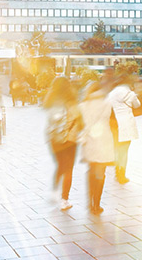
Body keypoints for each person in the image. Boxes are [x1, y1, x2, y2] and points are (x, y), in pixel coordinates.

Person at [43, 77, 83, 210]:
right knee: (68, 169)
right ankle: (64, 199)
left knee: (60, 166)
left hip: (54, 140)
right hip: (69, 140)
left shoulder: (50, 102)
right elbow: (80, 122)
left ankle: (54, 192)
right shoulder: (72, 102)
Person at [79, 82, 115, 215]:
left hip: (89, 140)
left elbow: (80, 124)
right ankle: (97, 205)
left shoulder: (82, 105)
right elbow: (112, 121)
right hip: (103, 140)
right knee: (100, 173)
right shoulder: (107, 103)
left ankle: (90, 202)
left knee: (91, 171)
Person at [108, 73, 141, 184]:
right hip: (126, 124)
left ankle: (117, 171)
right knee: (124, 150)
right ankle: (122, 175)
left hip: (115, 124)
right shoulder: (130, 94)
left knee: (117, 149)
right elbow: (137, 105)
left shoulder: (111, 93)